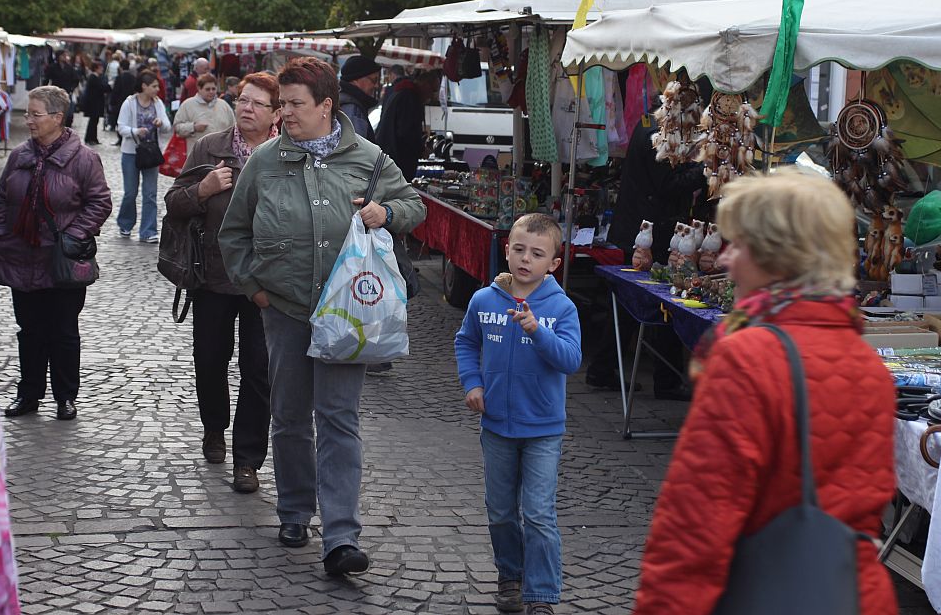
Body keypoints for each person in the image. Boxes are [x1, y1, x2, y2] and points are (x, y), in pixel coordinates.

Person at [633, 170, 897, 615]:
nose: (727, 259)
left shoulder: (747, 357)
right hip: (850, 595)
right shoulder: (867, 363)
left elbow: (696, 527)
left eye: (740, 245)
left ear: (776, 255)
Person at [220, 57, 425, 577]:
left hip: (346, 311)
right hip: (285, 310)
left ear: (326, 106)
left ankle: (341, 536)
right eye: (281, 103)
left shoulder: (368, 158)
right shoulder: (265, 161)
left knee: (338, 419)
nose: (283, 113)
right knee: (289, 416)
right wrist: (255, 288)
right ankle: (294, 512)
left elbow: (413, 204)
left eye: (294, 104)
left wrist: (387, 213)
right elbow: (234, 233)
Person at [455, 213, 582, 615]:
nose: (526, 259)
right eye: (520, 249)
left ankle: (541, 595)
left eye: (537, 254)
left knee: (539, 513)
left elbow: (570, 360)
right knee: (501, 511)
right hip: (496, 425)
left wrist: (537, 331)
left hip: (543, 428)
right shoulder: (483, 300)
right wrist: (472, 383)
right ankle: (510, 575)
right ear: (506, 249)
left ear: (553, 264)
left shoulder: (561, 308)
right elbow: (464, 343)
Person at [163, 72, 281, 495]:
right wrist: (203, 189)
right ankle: (214, 426)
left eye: (257, 103)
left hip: (267, 284)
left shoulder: (287, 155)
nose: (246, 108)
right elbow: (173, 202)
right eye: (242, 100)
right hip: (213, 277)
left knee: (258, 370)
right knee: (210, 360)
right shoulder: (208, 147)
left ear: (276, 114)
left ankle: (248, 460)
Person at [0, 85, 112, 421]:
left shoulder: (84, 159)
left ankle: (65, 397)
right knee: (29, 330)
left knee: (62, 331)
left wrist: (73, 235)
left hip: (62, 261)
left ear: (57, 118)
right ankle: (29, 394)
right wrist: (1, 234)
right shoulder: (19, 156)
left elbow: (100, 202)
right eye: (27, 113)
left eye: (34, 114)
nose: (27, 120)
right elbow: (2, 197)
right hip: (23, 257)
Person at [587, 116, 706, 397]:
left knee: (633, 303)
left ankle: (607, 370)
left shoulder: (651, 123)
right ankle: (663, 380)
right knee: (652, 301)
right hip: (649, 233)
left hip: (644, 229)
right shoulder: (658, 134)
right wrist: (704, 170)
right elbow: (666, 185)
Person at [116, 71, 170, 242]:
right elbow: (121, 127)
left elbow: (167, 125)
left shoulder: (158, 103)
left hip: (151, 152)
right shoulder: (129, 103)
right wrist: (135, 131)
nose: (157, 89)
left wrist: (161, 123)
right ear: (144, 86)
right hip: (131, 152)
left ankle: (148, 231)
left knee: (150, 193)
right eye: (154, 86)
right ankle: (125, 223)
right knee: (130, 192)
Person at [377, 69, 439, 180]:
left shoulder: (400, 92)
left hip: (389, 159)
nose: (432, 95)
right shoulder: (409, 97)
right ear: (425, 85)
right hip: (397, 162)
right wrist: (421, 149)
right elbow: (406, 132)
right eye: (433, 90)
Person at [172, 73, 236, 149]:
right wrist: (193, 127)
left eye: (213, 89)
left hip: (221, 154)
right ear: (199, 88)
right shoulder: (187, 105)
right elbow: (177, 128)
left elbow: (234, 129)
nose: (211, 92)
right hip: (197, 155)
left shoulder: (224, 105)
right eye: (207, 89)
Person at [337, 56, 381, 143]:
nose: (376, 86)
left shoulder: (344, 99)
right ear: (356, 79)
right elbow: (356, 150)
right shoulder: (352, 107)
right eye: (374, 80)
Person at [43, 51, 83, 126]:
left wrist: (71, 88)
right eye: (63, 55)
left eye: (65, 55)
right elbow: (46, 79)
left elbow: (76, 79)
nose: (65, 57)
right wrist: (45, 90)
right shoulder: (52, 67)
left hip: (66, 92)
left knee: (68, 112)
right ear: (59, 56)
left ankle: (66, 126)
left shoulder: (69, 68)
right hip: (55, 92)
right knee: (55, 110)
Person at [78, 60, 110, 146]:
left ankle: (94, 138)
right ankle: (89, 138)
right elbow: (101, 88)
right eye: (100, 68)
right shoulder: (93, 77)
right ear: (96, 68)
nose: (102, 69)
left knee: (95, 121)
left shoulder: (96, 77)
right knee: (93, 121)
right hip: (93, 103)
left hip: (96, 103)